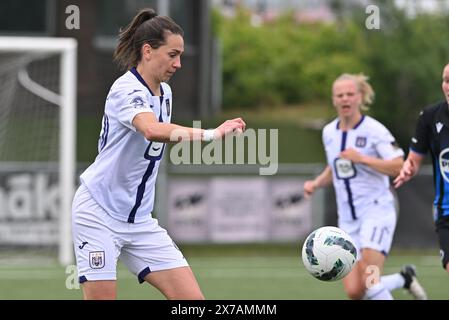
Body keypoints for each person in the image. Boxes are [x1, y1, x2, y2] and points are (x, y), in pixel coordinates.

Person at [72, 8, 245, 300]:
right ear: (148, 51)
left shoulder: (165, 92)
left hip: (140, 221)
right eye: (172, 54)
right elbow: (151, 130)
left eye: (180, 56)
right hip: (98, 213)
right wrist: (211, 134)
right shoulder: (126, 89)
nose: (178, 64)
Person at [303, 73, 427, 300]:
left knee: (370, 280)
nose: (345, 99)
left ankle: (398, 282)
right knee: (355, 291)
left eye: (350, 94)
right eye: (340, 95)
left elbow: (399, 165)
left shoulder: (374, 130)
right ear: (334, 100)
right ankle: (404, 279)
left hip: (376, 210)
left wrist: (362, 159)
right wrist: (316, 183)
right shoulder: (329, 132)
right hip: (348, 219)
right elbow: (335, 166)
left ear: (360, 97)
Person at [394, 62, 449, 277]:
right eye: (446, 80)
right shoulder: (430, 116)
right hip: (446, 212)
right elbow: (414, 160)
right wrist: (408, 167)